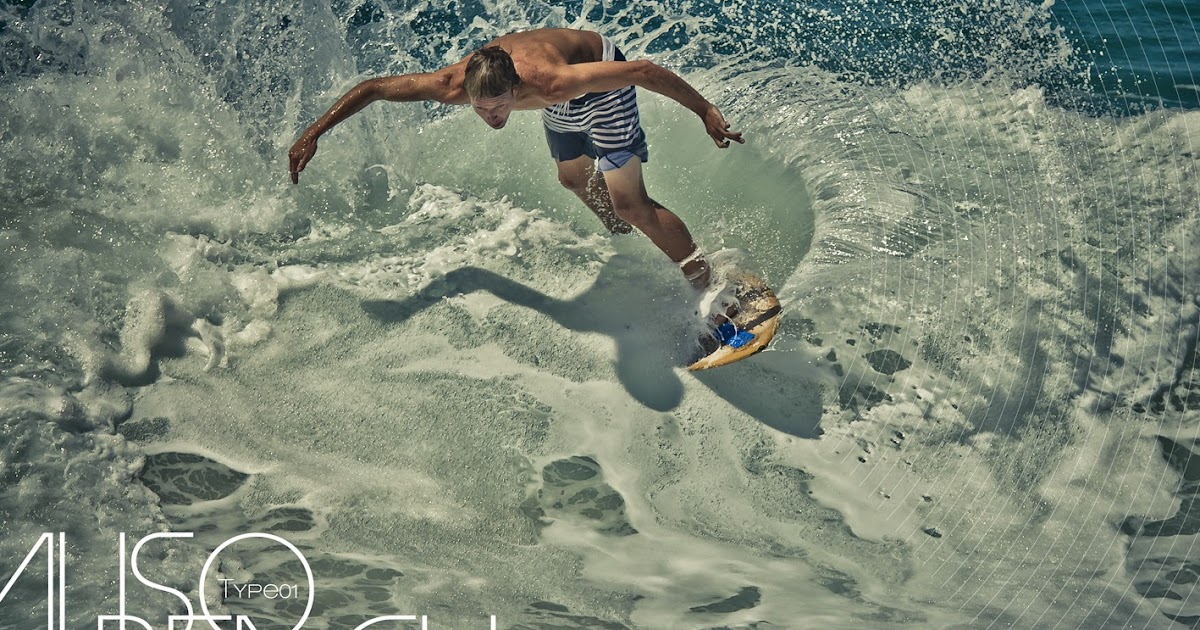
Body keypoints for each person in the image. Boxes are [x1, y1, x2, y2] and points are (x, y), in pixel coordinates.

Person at [288, 28, 744, 290]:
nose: (492, 117)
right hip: (555, 103)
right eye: (480, 109)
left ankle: (710, 285)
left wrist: (704, 110)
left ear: (516, 91)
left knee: (628, 201)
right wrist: (314, 131)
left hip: (599, 90)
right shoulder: (453, 86)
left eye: (500, 106)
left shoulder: (553, 82)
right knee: (574, 181)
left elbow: (643, 71)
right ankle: (634, 231)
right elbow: (374, 88)